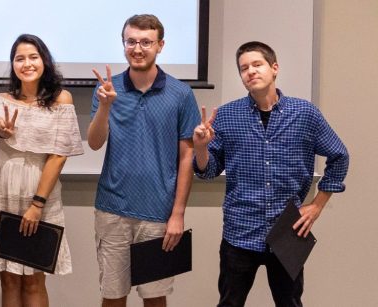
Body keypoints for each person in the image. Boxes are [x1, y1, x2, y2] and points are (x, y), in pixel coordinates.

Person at [193, 41, 349, 307]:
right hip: (239, 231)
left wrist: (317, 206)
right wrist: (200, 148)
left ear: (274, 68)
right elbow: (207, 172)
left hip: (288, 230)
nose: (250, 71)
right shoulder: (227, 115)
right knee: (229, 302)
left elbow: (339, 156)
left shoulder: (304, 114)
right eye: (244, 68)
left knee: (289, 303)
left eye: (257, 64)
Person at [86, 14, 201, 307]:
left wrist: (178, 214)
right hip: (113, 210)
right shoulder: (107, 90)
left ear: (160, 46)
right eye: (131, 41)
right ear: (123, 44)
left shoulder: (180, 93)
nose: (138, 48)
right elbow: (95, 142)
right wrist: (105, 107)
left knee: (155, 299)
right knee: (113, 296)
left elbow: (187, 156)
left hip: (159, 213)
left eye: (146, 42)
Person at [0, 33, 84, 307]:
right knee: (8, 278)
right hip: (1, 189)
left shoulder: (61, 100)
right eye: (20, 58)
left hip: (40, 190)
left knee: (33, 277)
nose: (27, 63)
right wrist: (3, 130)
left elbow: (58, 156)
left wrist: (38, 203)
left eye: (33, 57)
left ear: (44, 60)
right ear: (13, 65)